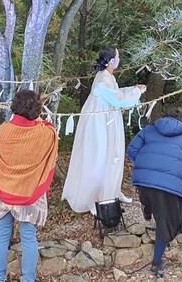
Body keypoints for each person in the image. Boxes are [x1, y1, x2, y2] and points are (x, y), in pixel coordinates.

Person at [0, 90, 58, 282]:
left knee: (2, 235)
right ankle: (28, 280)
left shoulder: (3, 131)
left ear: (15, 106)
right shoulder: (45, 133)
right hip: (30, 192)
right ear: (37, 109)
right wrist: (40, 121)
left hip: (5, 190)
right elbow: (50, 131)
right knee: (29, 237)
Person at [62, 46, 146, 214]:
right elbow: (118, 100)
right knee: (99, 156)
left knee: (112, 155)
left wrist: (132, 89)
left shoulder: (107, 77)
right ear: (111, 60)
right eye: (118, 56)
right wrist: (136, 91)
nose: (119, 59)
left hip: (108, 120)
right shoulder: (102, 80)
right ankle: (94, 197)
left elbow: (116, 94)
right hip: (98, 125)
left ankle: (112, 190)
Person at [127, 107, 182, 277]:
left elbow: (131, 150)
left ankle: (147, 207)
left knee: (150, 193)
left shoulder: (148, 129)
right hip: (169, 185)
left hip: (144, 181)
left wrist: (146, 163)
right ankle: (156, 263)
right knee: (167, 222)